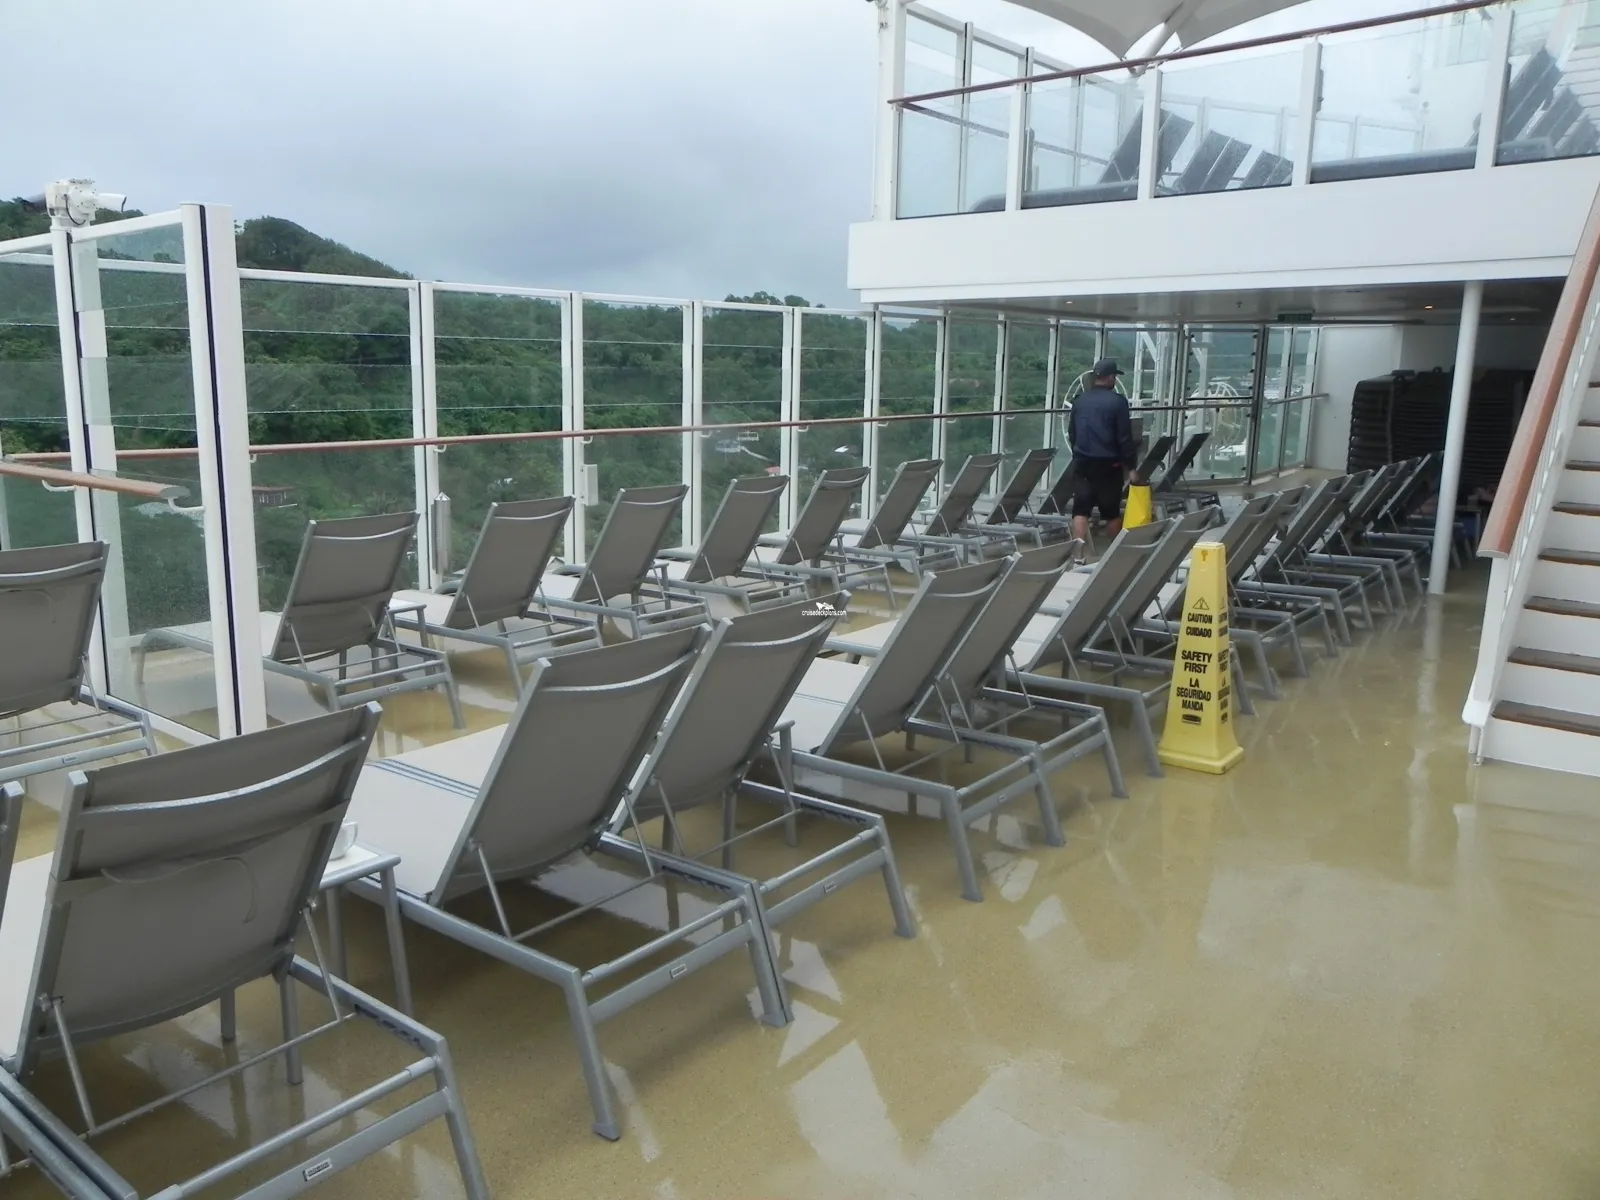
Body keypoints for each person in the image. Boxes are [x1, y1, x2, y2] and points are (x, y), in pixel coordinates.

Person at [1067, 358, 1141, 551]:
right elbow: (1124, 437)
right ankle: (1114, 553)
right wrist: (1131, 467)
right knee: (1111, 512)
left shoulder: (1079, 401)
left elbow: (1072, 433)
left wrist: (1078, 454)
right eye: (1114, 376)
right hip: (1109, 465)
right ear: (1109, 377)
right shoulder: (1118, 402)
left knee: (1080, 510)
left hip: (1083, 462)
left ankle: (1078, 556)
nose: (1115, 380)